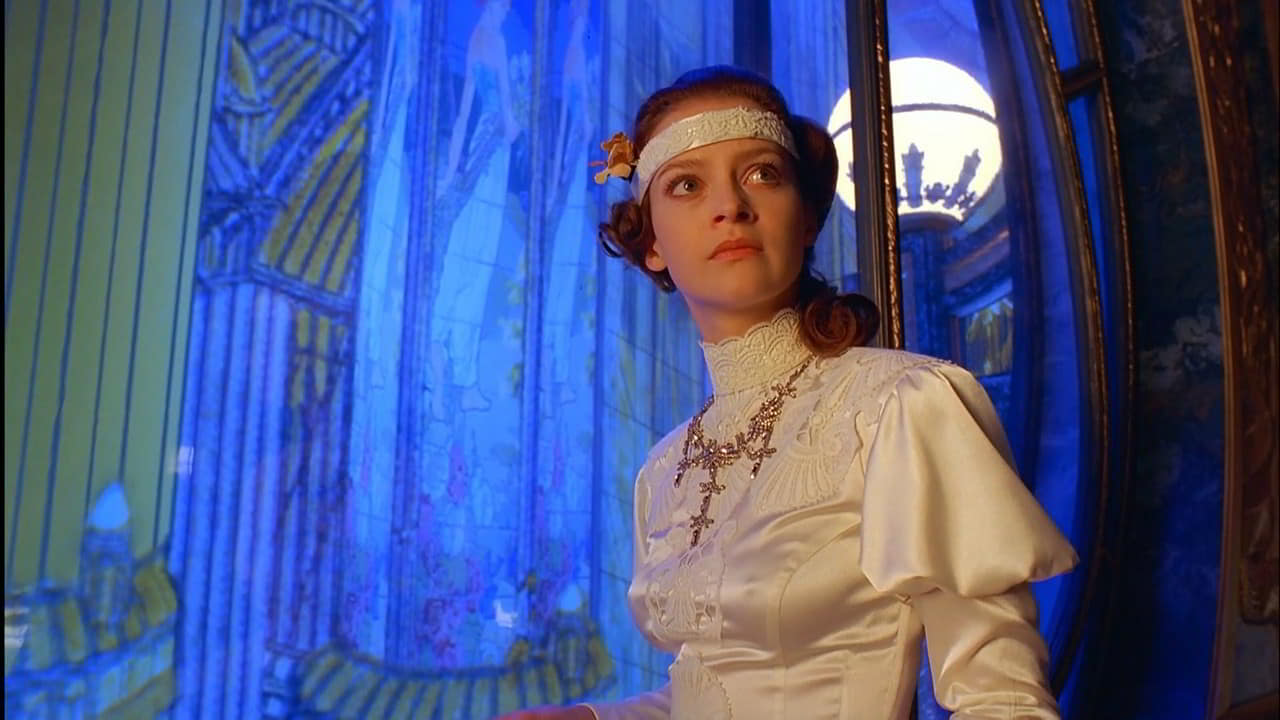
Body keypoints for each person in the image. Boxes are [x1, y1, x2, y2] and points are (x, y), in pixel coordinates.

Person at [498, 65, 1077, 720]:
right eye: (687, 184)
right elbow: (715, 689)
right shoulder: (663, 472)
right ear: (651, 243)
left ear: (805, 219)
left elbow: (1004, 702)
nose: (730, 205)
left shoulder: (902, 404)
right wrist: (591, 719)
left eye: (762, 174)